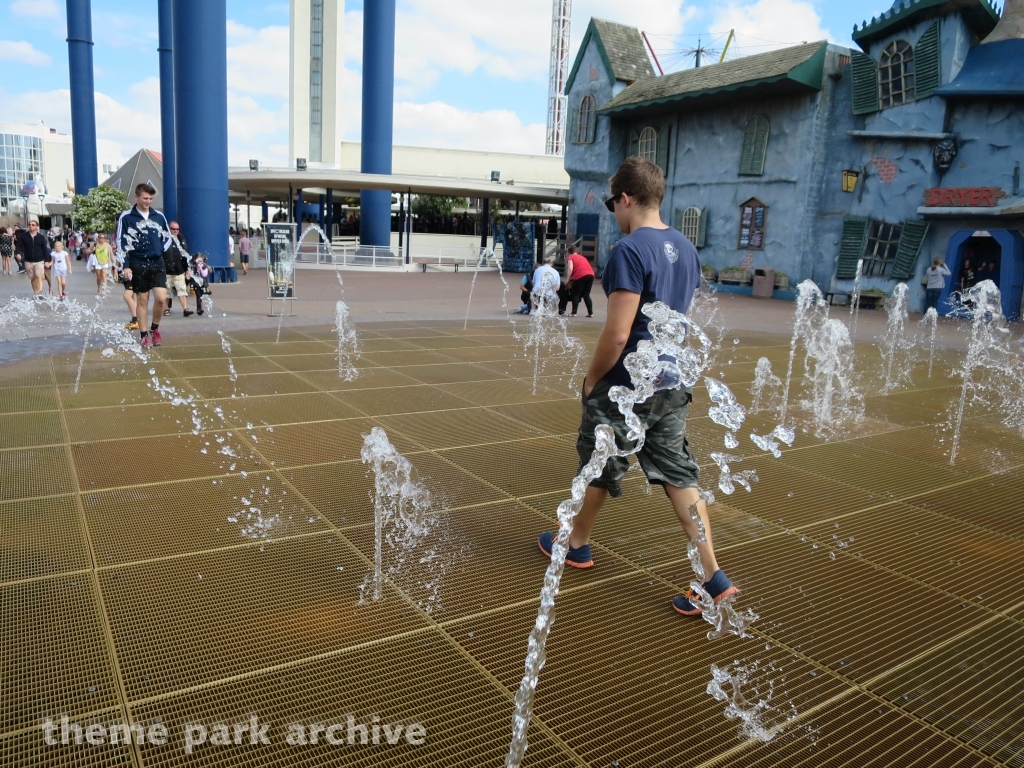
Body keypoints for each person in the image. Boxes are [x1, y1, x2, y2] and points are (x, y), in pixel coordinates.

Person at [536, 156, 737, 617]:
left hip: (631, 382)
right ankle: (713, 577)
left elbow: (620, 333)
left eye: (613, 203)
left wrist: (592, 379)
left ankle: (578, 542)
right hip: (673, 381)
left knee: (600, 458)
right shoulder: (686, 248)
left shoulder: (629, 250)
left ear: (625, 198)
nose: (614, 212)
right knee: (678, 475)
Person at [116, 183, 172, 347]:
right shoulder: (126, 217)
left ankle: (155, 328)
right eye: (145, 198)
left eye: (151, 198)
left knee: (161, 299)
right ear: (136, 197)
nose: (148, 201)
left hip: (157, 262)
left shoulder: (158, 216)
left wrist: (159, 249)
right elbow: (121, 242)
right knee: (143, 300)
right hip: (137, 263)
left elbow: (168, 237)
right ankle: (143, 334)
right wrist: (125, 265)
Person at [163, 222, 194, 317]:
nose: (175, 231)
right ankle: (166, 309)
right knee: (166, 291)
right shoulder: (164, 238)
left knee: (182, 289)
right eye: (173, 229)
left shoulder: (181, 239)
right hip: (166, 270)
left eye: (177, 229)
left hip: (179, 269)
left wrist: (187, 269)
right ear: (169, 229)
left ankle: (185, 308)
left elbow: (184, 254)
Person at [15, 219, 52, 297]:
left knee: (39, 276)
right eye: (30, 224)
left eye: (33, 225)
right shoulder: (24, 236)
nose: (31, 226)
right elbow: (18, 246)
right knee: (33, 278)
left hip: (39, 260)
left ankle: (40, 292)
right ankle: (36, 293)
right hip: (28, 260)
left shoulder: (41, 237)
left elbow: (44, 249)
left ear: (37, 227)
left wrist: (47, 261)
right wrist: (17, 253)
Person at [562, 245, 596, 317]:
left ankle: (574, 313)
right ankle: (591, 313)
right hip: (591, 274)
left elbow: (570, 269)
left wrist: (567, 279)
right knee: (586, 294)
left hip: (581, 275)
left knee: (576, 294)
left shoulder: (570, 257)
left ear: (569, 252)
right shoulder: (583, 257)